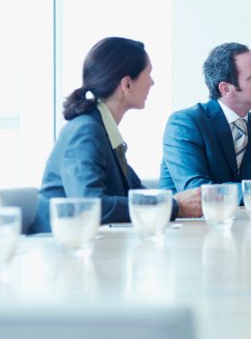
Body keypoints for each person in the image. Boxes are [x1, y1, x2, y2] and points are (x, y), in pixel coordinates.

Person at [29, 38, 201, 234]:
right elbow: (91, 206)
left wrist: (179, 202)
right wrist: (172, 206)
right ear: (127, 84)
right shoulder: (86, 130)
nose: (152, 82)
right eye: (148, 74)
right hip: (56, 248)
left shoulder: (103, 128)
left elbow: (136, 192)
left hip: (91, 243)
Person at [160, 42, 251, 203]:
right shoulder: (185, 124)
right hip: (190, 226)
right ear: (225, 89)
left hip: (249, 226)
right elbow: (195, 191)